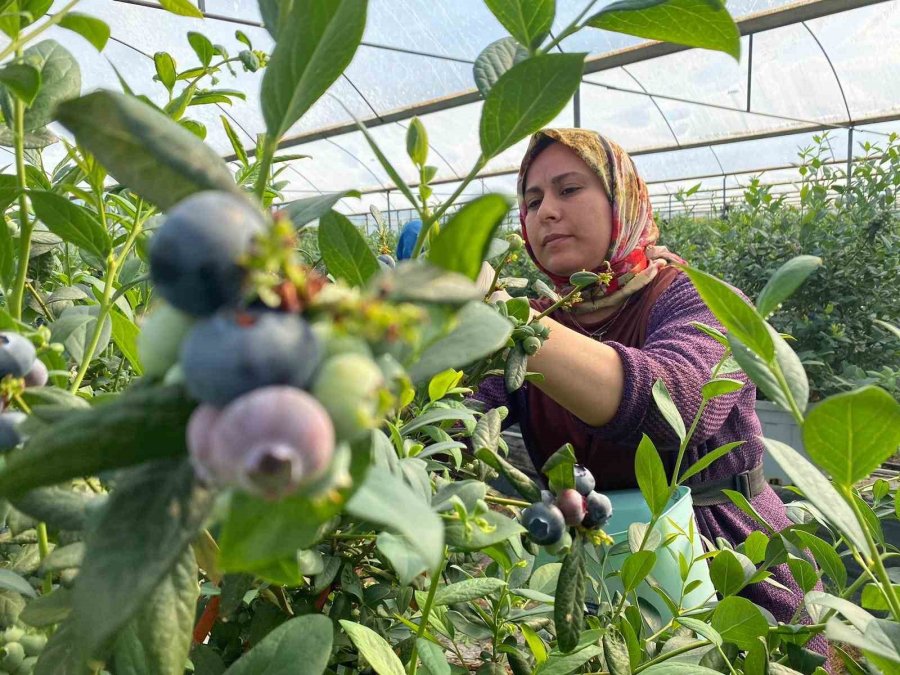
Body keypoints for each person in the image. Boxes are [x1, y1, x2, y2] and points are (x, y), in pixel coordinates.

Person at [475, 128, 829, 662]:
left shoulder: (695, 296)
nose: (545, 211)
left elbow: (673, 406)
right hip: (588, 571)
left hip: (727, 561)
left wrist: (507, 317)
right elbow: (460, 416)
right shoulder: (544, 320)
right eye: (532, 200)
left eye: (569, 189)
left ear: (623, 200)